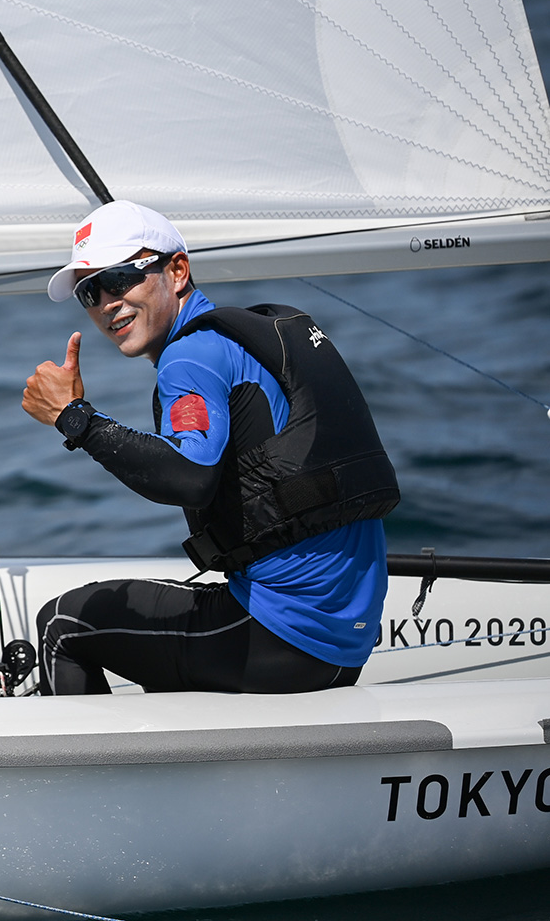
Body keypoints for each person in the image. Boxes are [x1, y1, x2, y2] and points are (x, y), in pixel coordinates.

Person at [23, 199, 399, 696]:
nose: (105, 303)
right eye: (89, 292)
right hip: (346, 638)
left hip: (283, 636)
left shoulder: (189, 357)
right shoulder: (243, 338)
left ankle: (91, 754)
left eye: (118, 279)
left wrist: (74, 418)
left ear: (177, 271)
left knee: (63, 623)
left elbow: (190, 476)